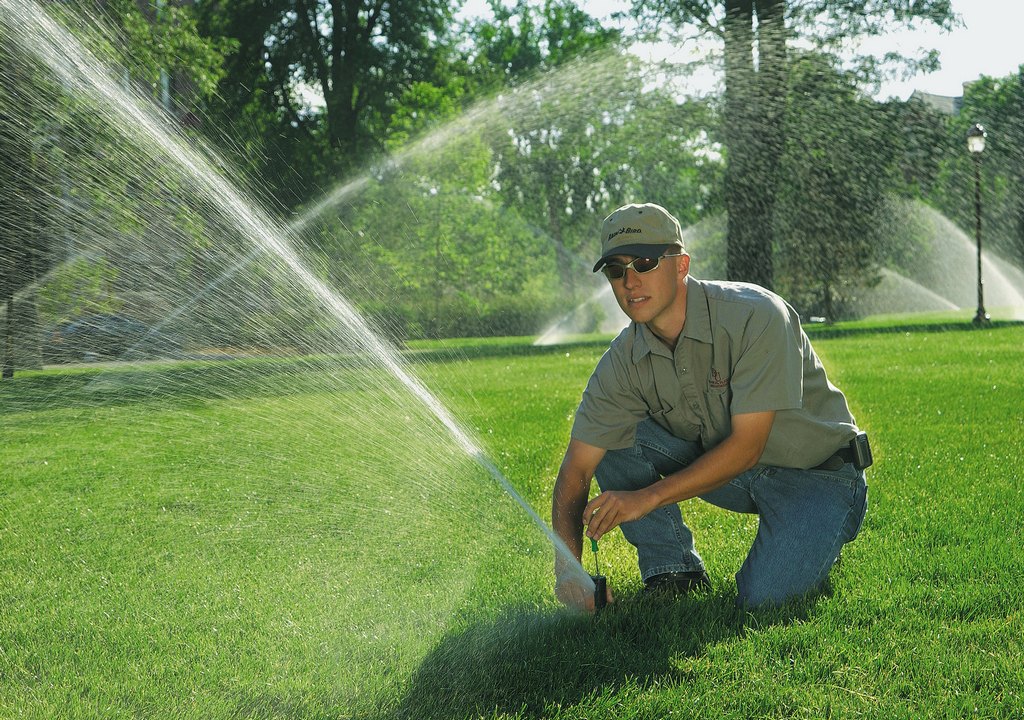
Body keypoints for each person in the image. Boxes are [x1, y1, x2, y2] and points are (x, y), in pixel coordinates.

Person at [551, 202, 869, 611]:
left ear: (681, 265)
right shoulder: (623, 360)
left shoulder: (755, 315)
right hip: (736, 475)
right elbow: (576, 468)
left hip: (818, 476)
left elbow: (747, 447)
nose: (629, 281)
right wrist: (569, 573)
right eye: (616, 269)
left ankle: (827, 528)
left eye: (645, 263)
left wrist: (645, 498)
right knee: (613, 435)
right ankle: (673, 571)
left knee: (763, 600)